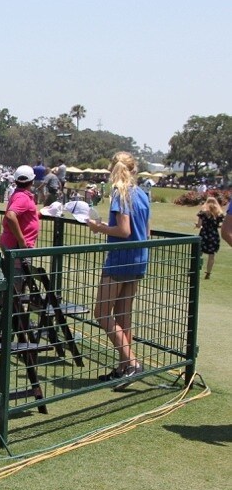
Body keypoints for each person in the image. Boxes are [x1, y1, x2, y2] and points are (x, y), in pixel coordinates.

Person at [86, 151, 150, 384]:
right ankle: (125, 367)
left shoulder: (120, 194)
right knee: (123, 316)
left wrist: (98, 227)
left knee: (102, 314)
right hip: (139, 258)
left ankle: (132, 363)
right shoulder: (142, 194)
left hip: (120, 260)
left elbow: (124, 231)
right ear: (134, 169)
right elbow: (146, 231)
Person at [0, 165, 40, 252]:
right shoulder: (23, 197)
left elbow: (23, 216)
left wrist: (39, 214)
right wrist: (21, 240)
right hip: (18, 246)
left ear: (15, 180)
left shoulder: (19, 195)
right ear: (32, 181)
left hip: (14, 243)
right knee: (19, 266)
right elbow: (10, 216)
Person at [195, 197, 223, 279]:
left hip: (204, 234)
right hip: (214, 235)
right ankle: (208, 273)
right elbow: (219, 225)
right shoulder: (219, 213)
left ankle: (195, 270)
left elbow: (199, 225)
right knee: (211, 255)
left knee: (199, 253)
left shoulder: (203, 213)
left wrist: (197, 225)